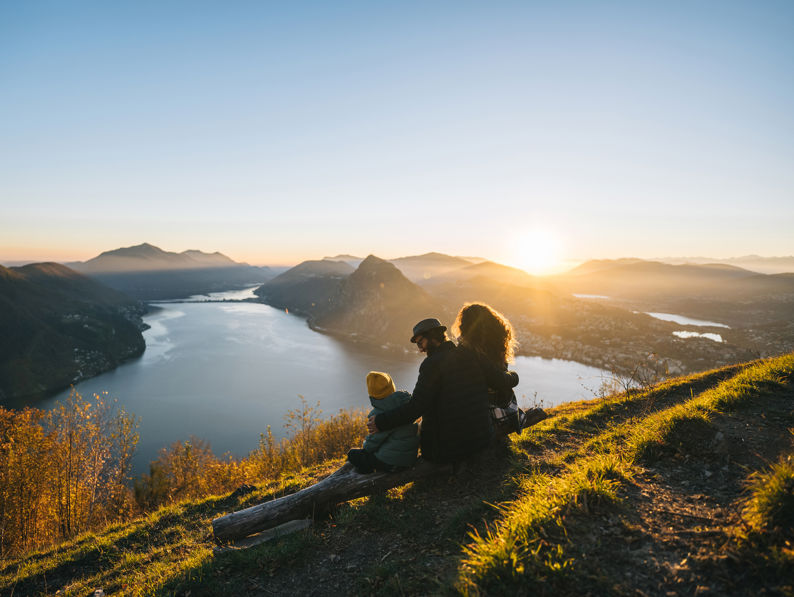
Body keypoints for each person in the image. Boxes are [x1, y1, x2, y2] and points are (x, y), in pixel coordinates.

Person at [367, 318, 519, 463]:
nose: (420, 349)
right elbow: (501, 380)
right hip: (481, 439)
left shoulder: (431, 365)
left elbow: (416, 407)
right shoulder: (471, 354)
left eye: (421, 343)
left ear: (433, 337)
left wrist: (381, 421)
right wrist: (514, 376)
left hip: (445, 451)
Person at [453, 302, 527, 434]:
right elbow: (500, 379)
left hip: (483, 411)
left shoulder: (470, 350)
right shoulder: (493, 346)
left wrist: (513, 377)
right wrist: (514, 376)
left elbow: (498, 379)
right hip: (499, 406)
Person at [347, 371, 419, 474]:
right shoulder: (406, 403)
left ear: (372, 393)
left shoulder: (379, 414)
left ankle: (366, 472)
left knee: (353, 454)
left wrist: (365, 449)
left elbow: (373, 442)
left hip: (391, 462)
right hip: (409, 457)